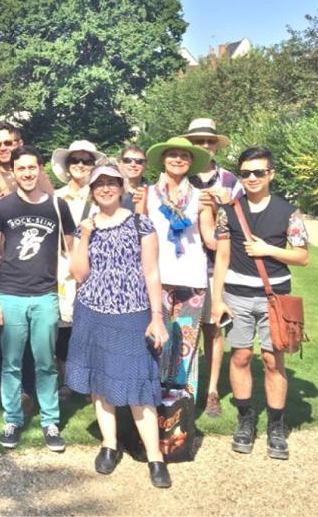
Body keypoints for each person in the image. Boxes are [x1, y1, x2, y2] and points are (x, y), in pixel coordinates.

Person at [66, 165, 172, 489]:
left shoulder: (141, 224)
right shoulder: (84, 228)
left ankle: (155, 457)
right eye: (100, 184)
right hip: (92, 312)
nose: (106, 189)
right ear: (92, 190)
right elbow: (78, 273)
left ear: (122, 188)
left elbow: (152, 273)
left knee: (140, 385)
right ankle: (109, 445)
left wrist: (157, 316)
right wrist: (84, 235)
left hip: (133, 313)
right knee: (100, 383)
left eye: (112, 183)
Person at [211, 147, 309, 460]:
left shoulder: (288, 212)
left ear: (271, 174)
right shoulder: (229, 211)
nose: (252, 178)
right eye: (246, 173)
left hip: (274, 298)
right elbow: (222, 256)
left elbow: (302, 256)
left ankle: (276, 426)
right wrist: (216, 299)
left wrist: (268, 249)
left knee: (271, 360)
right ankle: (245, 419)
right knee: (239, 357)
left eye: (259, 172)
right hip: (236, 296)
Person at [0, 147, 74, 452]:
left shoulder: (57, 206)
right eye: (20, 168)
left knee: (45, 362)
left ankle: (50, 421)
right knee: (11, 363)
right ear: (13, 172)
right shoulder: (3, 208)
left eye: (31, 167)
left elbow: (70, 251)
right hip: (10, 294)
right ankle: (13, 418)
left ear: (39, 170)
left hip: (46, 294)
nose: (26, 173)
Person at [143, 137, 216, 399]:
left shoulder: (201, 198)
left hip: (192, 278)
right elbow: (139, 234)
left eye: (184, 156)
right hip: (156, 278)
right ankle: (153, 398)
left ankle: (183, 404)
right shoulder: (148, 195)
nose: (177, 159)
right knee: (157, 338)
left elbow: (210, 238)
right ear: (163, 159)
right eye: (172, 154)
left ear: (191, 162)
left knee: (186, 341)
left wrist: (234, 229)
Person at [182, 118, 243, 418]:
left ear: (215, 145)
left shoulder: (231, 181)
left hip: (219, 267)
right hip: (184, 266)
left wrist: (226, 204)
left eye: (209, 141)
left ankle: (212, 392)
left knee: (214, 330)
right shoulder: (180, 177)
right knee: (185, 332)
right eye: (198, 141)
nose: (204, 145)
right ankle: (185, 391)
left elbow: (245, 220)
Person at [50, 140, 105, 395]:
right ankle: (69, 380)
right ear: (68, 165)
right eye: (76, 160)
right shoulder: (55, 197)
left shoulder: (101, 196)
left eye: (87, 161)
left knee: (92, 327)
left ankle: (92, 381)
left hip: (95, 267)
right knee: (63, 328)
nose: (81, 165)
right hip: (61, 266)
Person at [0, 121, 55, 200]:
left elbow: (51, 203)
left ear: (20, 143)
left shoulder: (34, 172)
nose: (2, 148)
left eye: (8, 143)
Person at [117, 145, 149, 212]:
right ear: (120, 164)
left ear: (145, 165)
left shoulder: (153, 192)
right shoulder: (111, 191)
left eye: (139, 161)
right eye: (127, 160)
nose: (133, 165)